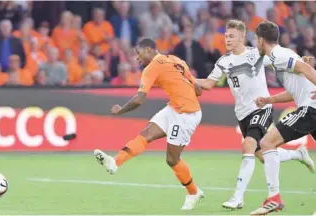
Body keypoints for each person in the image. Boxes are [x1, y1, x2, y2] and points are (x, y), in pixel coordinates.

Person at [197, 20, 315, 210]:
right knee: (264, 155)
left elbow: (298, 65)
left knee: (254, 145)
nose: (227, 39)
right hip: (243, 113)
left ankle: (241, 198)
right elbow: (208, 84)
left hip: (265, 110)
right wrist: (186, 78)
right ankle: (297, 154)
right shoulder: (224, 61)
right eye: (226, 36)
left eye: (231, 36)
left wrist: (303, 62)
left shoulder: (262, 55)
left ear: (245, 38)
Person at [94, 38, 204, 210]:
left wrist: (120, 110)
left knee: (172, 159)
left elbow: (139, 100)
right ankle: (115, 163)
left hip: (186, 114)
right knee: (146, 134)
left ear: (148, 50)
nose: (137, 59)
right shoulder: (175, 60)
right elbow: (197, 89)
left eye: (138, 54)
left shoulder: (152, 67)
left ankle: (193, 192)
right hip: (175, 107)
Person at [250, 21, 316, 215]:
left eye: (256, 40)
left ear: (261, 40)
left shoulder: (279, 56)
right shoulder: (280, 56)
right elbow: (296, 89)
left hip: (310, 109)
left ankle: (274, 198)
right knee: (267, 144)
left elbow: (306, 69)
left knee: (267, 143)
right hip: (310, 106)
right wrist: (269, 99)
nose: (256, 43)